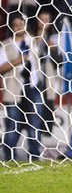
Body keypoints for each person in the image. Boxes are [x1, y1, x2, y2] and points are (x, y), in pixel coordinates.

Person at [0, 14, 45, 161]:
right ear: (11, 27)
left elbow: (43, 45)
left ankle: (34, 155)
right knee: (14, 125)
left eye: (22, 24)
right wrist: (18, 61)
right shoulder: (5, 45)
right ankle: (8, 157)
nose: (19, 27)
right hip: (14, 89)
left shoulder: (33, 41)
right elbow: (1, 68)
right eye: (16, 24)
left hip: (33, 87)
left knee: (35, 123)